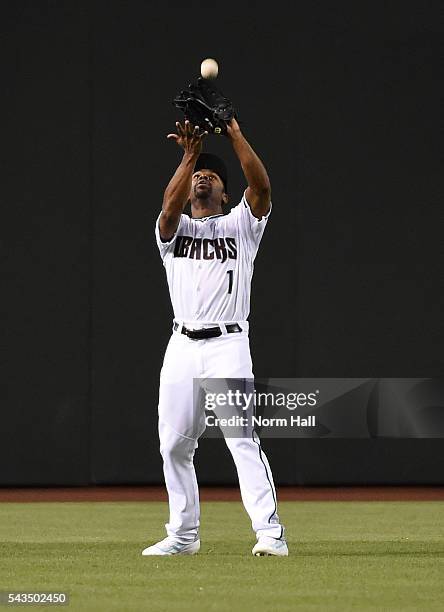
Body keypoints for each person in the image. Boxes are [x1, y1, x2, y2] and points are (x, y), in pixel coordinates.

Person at [142, 118, 288, 557]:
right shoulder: (174, 232)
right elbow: (168, 212)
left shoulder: (242, 227)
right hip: (182, 346)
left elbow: (261, 189)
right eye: (198, 175)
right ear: (188, 188)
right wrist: (189, 155)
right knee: (173, 444)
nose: (205, 177)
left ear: (226, 194)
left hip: (228, 345)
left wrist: (235, 135)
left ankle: (270, 534)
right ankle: (183, 537)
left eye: (215, 176)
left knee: (241, 438)